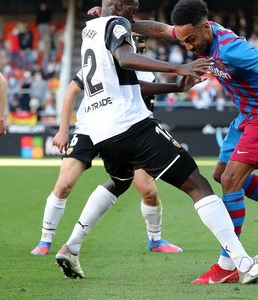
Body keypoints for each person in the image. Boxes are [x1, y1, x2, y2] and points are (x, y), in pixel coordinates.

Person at [54, 0, 258, 284]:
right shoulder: (115, 24)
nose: (134, 20)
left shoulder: (92, 29)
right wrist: (177, 68)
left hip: (99, 130)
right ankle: (242, 264)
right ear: (121, 6)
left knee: (119, 181)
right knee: (199, 185)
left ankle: (71, 246)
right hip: (130, 125)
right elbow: (126, 57)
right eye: (133, 12)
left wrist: (175, 87)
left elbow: (134, 73)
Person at [132, 0, 258, 284]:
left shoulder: (233, 49)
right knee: (221, 174)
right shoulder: (194, 31)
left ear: (205, 27)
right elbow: (160, 29)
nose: (187, 47)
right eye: (183, 41)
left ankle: (228, 264)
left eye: (190, 40)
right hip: (246, 114)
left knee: (230, 181)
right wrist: (117, 21)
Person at [30, 34, 197, 256]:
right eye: (133, 37)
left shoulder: (148, 73)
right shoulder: (104, 61)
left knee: (148, 191)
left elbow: (144, 105)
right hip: (89, 128)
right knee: (64, 184)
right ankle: (45, 239)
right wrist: (63, 129)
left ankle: (155, 240)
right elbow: (71, 89)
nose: (138, 42)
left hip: (124, 131)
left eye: (141, 39)